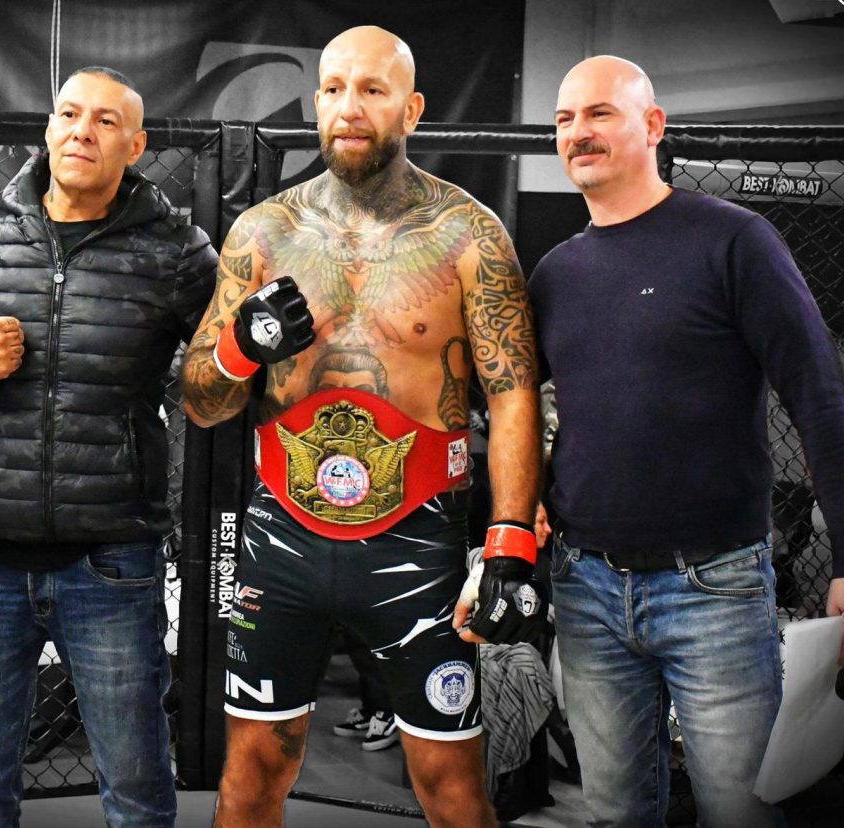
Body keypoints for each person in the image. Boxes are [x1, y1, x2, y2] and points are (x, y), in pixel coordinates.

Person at [182, 25, 542, 828]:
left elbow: (513, 394)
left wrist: (511, 541)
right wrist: (240, 349)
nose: (350, 107)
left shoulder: (469, 235)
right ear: (316, 103)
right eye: (335, 89)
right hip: (282, 542)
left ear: (410, 109)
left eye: (373, 90)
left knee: (453, 787)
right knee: (250, 777)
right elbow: (202, 402)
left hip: (418, 543)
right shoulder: (262, 233)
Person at [529, 55, 844, 827]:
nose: (578, 132)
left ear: (653, 125)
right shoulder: (556, 274)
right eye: (564, 119)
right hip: (585, 587)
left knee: (741, 813)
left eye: (599, 113)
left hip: (715, 588)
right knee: (616, 814)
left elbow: (820, 397)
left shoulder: (734, 240)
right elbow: (523, 409)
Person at [0, 66, 217, 827]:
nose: (82, 131)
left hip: (112, 562)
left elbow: (224, 373)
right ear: (48, 126)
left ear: (135, 145)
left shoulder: (175, 248)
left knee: (137, 792)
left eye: (105, 121)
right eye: (69, 113)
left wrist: (243, 351)